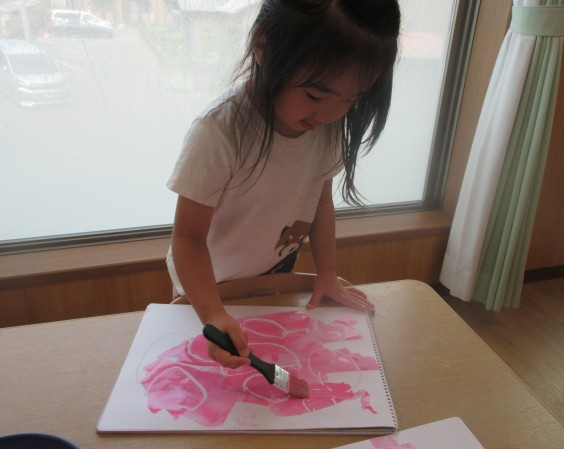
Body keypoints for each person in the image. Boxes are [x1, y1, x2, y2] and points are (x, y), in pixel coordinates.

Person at [167, 0, 401, 369]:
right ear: (263, 47)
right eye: (315, 96)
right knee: (216, 373)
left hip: (274, 275)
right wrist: (212, 312)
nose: (329, 114)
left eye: (349, 101)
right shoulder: (218, 132)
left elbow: (320, 203)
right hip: (208, 287)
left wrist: (327, 273)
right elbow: (187, 239)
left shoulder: (324, 126)